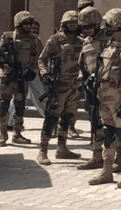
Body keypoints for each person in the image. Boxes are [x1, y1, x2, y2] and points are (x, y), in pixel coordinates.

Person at [87, 9, 121, 189]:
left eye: (109, 25)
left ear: (117, 25)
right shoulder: (109, 45)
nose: (106, 28)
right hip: (104, 96)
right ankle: (107, 170)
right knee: (108, 132)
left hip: (119, 98)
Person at [35, 10, 84, 166]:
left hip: (74, 85)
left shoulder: (81, 42)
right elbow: (42, 59)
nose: (72, 26)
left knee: (68, 116)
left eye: (75, 23)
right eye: (69, 23)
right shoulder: (55, 40)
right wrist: (45, 74)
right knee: (52, 116)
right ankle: (43, 150)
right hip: (58, 85)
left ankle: (62, 148)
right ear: (64, 24)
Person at [0, 11, 42, 146]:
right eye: (25, 23)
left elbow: (41, 59)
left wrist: (34, 71)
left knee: (20, 106)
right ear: (18, 24)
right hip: (8, 77)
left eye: (30, 23)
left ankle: (17, 134)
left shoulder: (35, 40)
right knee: (4, 104)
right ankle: (2, 134)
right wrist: (6, 67)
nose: (28, 26)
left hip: (23, 78)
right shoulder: (7, 37)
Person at [76, 7, 108, 171]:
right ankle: (96, 156)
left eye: (88, 27)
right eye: (83, 28)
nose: (86, 31)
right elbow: (82, 63)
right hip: (90, 86)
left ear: (97, 24)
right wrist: (83, 78)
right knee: (94, 120)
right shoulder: (86, 42)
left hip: (106, 87)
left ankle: (114, 158)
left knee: (109, 123)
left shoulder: (108, 39)